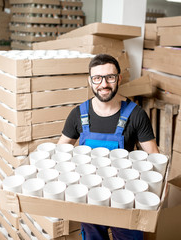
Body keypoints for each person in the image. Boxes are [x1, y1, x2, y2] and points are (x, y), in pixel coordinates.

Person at [58, 53, 159, 240]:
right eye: (97, 78)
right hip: (90, 199)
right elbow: (59, 154)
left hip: (126, 198)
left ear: (119, 78)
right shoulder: (78, 115)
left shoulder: (136, 115)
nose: (103, 84)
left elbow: (155, 158)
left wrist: (158, 192)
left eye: (110, 77)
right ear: (90, 81)